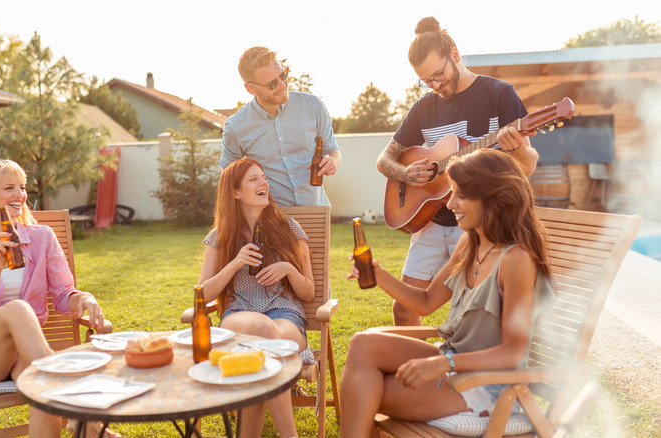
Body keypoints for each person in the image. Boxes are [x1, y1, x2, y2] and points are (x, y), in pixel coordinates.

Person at [339, 148, 555, 437]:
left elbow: (513, 352)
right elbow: (426, 302)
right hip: (453, 361)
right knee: (363, 343)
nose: (450, 203)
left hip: (483, 385)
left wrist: (444, 363)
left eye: (460, 195)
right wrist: (379, 276)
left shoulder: (516, 260)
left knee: (363, 389)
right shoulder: (471, 243)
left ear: (494, 198)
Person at [376, 17, 540, 326]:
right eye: (427, 81)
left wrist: (515, 148)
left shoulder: (499, 94)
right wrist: (405, 174)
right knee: (403, 310)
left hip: (483, 225)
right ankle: (418, 371)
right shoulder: (424, 107)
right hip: (433, 221)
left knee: (474, 318)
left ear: (455, 54)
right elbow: (384, 159)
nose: (436, 85)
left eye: (439, 74)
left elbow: (527, 167)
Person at [0, 158, 116, 438]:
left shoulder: (42, 238)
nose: (20, 194)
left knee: (42, 386)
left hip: (25, 354)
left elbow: (64, 295)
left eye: (23, 187)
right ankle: (83, 416)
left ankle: (80, 423)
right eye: (9, 188)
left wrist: (84, 298)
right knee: (17, 309)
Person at [198, 158, 315, 437]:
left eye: (263, 178)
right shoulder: (221, 236)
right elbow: (202, 294)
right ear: (235, 192)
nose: (263, 183)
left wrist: (288, 269)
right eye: (253, 179)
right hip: (240, 314)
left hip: (285, 314)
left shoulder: (290, 229)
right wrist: (235, 263)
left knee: (264, 342)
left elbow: (308, 293)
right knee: (264, 333)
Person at [221, 46, 341, 207]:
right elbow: (228, 178)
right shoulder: (236, 127)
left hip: (316, 210)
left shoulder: (313, 106)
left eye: (283, 75)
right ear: (250, 88)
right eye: (272, 84)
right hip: (271, 219)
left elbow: (333, 150)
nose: (282, 86)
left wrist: (332, 161)